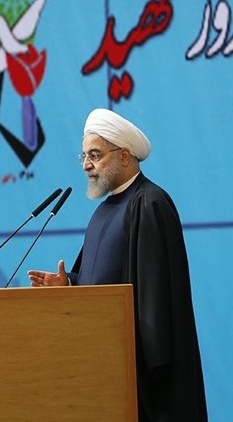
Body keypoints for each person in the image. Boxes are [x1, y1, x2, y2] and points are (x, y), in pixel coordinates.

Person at [28, 108, 208, 422]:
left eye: (95, 155)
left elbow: (155, 300)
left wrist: (144, 371)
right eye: (84, 156)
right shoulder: (105, 210)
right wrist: (69, 283)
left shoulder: (149, 203)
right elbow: (102, 283)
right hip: (104, 369)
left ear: (124, 156)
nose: (86, 165)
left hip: (143, 380)